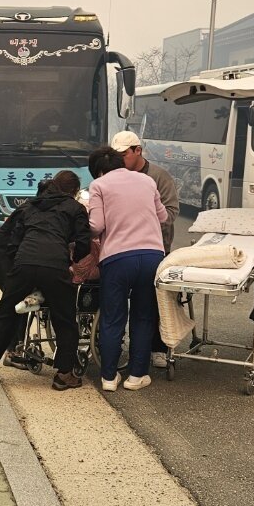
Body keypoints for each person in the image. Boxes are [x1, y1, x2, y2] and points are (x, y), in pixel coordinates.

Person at [0, 170, 90, 392]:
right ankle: (63, 375)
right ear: (74, 192)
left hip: (24, 263)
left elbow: (13, 240)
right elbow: (83, 242)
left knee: (5, 311)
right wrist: (71, 260)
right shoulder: (76, 209)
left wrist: (19, 264)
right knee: (65, 318)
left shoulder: (29, 206)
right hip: (55, 266)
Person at [88, 146, 167, 393]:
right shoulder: (146, 180)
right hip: (153, 255)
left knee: (113, 317)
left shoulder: (99, 186)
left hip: (118, 257)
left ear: (99, 170)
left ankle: (109, 377)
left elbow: (96, 225)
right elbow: (162, 217)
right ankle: (137, 376)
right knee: (144, 316)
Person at [110, 130, 180, 367]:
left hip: (155, 247)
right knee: (115, 302)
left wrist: (141, 216)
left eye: (124, 155)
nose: (120, 160)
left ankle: (157, 347)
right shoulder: (114, 176)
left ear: (137, 151)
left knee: (153, 300)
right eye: (116, 155)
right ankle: (112, 346)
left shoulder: (159, 177)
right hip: (121, 247)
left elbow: (170, 213)